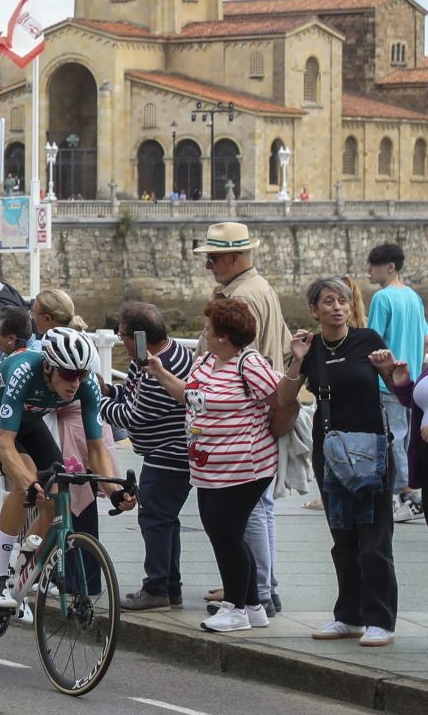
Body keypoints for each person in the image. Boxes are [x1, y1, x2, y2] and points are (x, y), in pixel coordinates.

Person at [278, 276, 405, 647]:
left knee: (374, 538)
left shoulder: (368, 341)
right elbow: (284, 398)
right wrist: (296, 360)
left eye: (343, 301)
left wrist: (389, 370)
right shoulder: (311, 348)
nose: (337, 307)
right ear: (314, 310)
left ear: (351, 307)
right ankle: (348, 616)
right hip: (330, 451)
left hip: (371, 449)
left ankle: (381, 619)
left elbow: (399, 387)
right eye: (329, 302)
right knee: (342, 539)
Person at [0, 318, 128, 609]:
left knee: (56, 500)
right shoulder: (23, 371)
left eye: (80, 374)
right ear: (48, 367)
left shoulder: (85, 385)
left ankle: (20, 572)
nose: (75, 382)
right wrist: (27, 482)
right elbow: (5, 444)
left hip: (29, 421)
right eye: (68, 374)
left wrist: (114, 490)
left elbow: (96, 449)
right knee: (24, 480)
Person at [146, 298, 284, 632]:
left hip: (243, 468)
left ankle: (235, 607)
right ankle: (252, 606)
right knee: (223, 532)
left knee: (226, 535)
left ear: (223, 335)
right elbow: (188, 396)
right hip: (208, 469)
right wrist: (161, 374)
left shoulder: (248, 363)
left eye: (209, 328)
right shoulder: (206, 361)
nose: (204, 333)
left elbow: (280, 399)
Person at [195, 222, 289, 617]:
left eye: (213, 259)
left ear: (234, 258)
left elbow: (238, 356)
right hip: (259, 418)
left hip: (246, 429)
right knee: (257, 512)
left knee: (240, 520)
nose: (209, 266)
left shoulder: (243, 297)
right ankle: (255, 588)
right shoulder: (259, 287)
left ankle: (255, 592)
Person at [104, 302, 195, 611]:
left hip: (169, 453)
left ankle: (156, 588)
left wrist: (94, 404)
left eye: (123, 335)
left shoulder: (161, 368)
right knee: (165, 519)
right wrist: (108, 391)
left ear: (139, 337)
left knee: (154, 518)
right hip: (167, 451)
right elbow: (129, 393)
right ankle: (171, 587)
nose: (120, 340)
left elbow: (133, 416)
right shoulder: (154, 357)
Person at [364, 243, 424, 515]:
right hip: (409, 382)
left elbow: (372, 339)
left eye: (373, 265)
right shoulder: (413, 297)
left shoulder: (382, 298)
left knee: (394, 437)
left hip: (386, 381)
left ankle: (406, 492)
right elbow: (423, 336)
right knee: (407, 436)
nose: (368, 270)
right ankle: (410, 488)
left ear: (390, 267)